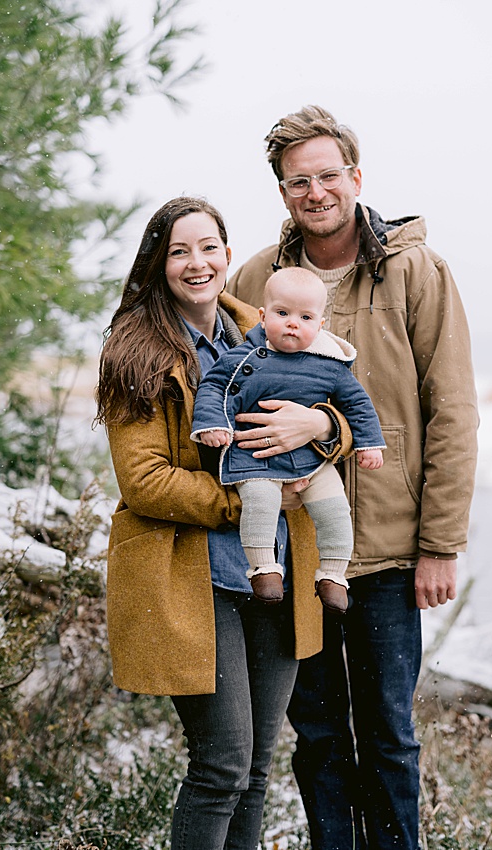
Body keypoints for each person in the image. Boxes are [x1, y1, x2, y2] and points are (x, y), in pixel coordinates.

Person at [227, 105, 479, 850]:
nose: (315, 192)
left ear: (356, 177)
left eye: (327, 175)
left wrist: (441, 544)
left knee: (390, 736)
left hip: (393, 554)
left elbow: (453, 411)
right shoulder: (255, 278)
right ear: (282, 192)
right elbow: (231, 387)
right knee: (319, 737)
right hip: (295, 549)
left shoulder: (417, 271)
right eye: (297, 181)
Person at [96, 196, 353, 850]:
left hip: (274, 573)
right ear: (157, 265)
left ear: (228, 255)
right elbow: (145, 481)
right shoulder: (137, 352)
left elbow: (344, 406)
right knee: (221, 766)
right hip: (195, 577)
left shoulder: (268, 329)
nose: (197, 262)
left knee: (257, 771)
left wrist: (323, 426)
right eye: (179, 251)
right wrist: (247, 505)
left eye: (208, 247)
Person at [192, 267, 385, 614]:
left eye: (305, 317)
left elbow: (357, 403)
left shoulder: (331, 365)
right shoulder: (242, 359)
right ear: (263, 317)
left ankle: (332, 573)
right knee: (261, 503)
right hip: (256, 458)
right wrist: (213, 423)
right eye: (283, 314)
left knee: (335, 509)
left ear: (321, 325)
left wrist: (369, 443)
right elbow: (214, 389)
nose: (293, 323)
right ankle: (264, 568)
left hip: (311, 459)